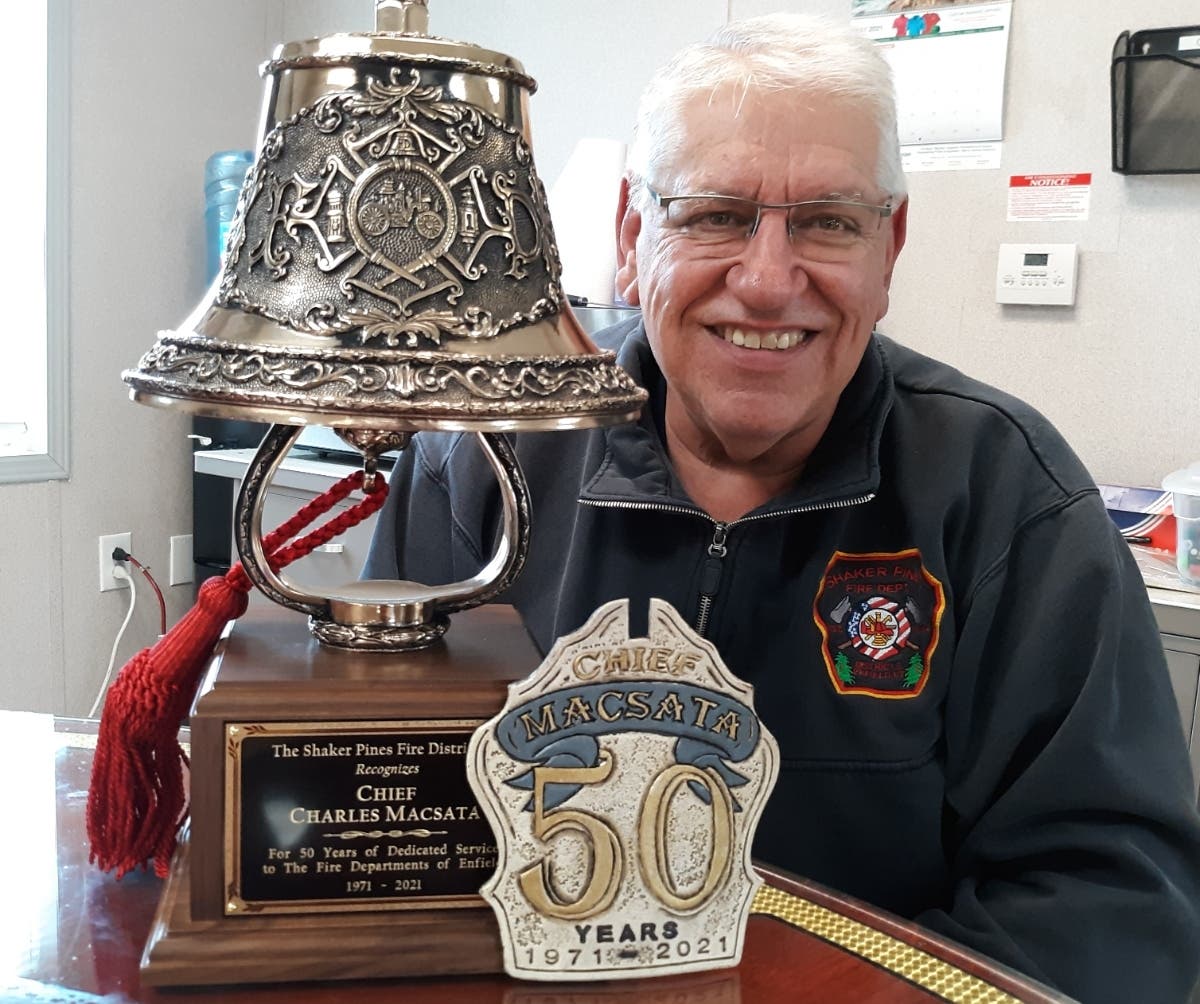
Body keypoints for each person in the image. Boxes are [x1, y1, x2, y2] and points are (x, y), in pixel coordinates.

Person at [364, 14, 1200, 1002]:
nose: (766, 281)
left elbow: (1112, 907)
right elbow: (377, 820)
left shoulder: (1012, 501)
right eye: (715, 214)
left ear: (888, 249)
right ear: (633, 236)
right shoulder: (477, 462)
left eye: (828, 221)